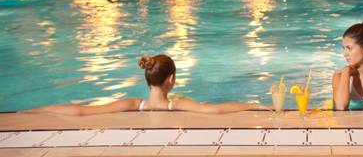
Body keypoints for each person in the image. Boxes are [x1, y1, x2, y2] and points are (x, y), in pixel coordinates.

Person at [27, 54, 269, 115]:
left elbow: (81, 111)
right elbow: (215, 110)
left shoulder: (132, 103)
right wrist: (255, 106)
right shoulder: (177, 104)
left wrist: (36, 110)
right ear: (171, 79)